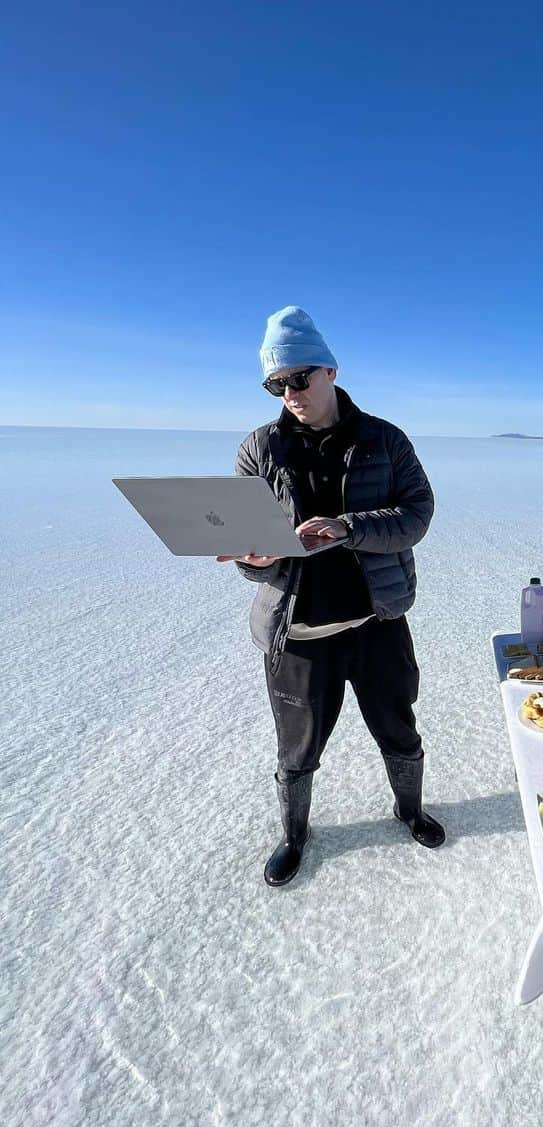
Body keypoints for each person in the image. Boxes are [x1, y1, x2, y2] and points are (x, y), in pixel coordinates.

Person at [219, 306, 444, 887]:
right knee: (297, 747)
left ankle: (409, 809)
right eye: (277, 382)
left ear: (330, 371)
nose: (289, 392)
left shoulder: (384, 440)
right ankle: (294, 835)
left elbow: (417, 515)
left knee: (398, 727)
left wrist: (349, 527)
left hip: (376, 622)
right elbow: (248, 542)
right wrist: (253, 556)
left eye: (300, 377)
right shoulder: (260, 448)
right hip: (299, 635)